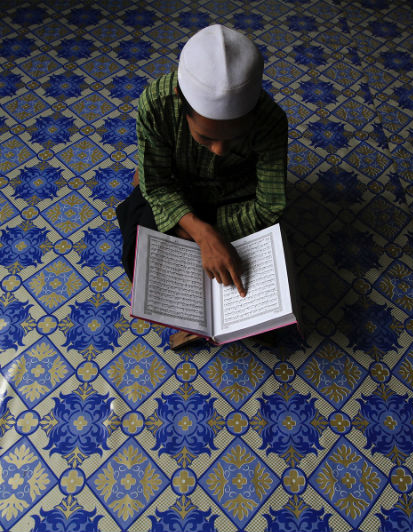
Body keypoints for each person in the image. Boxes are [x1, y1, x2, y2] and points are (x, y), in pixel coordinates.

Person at [116, 24, 288, 346]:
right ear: (182, 101)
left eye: (233, 139)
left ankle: (211, 315)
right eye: (206, 138)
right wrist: (202, 234)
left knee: (272, 252)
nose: (221, 150)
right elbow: (159, 185)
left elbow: (270, 206)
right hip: (179, 187)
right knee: (138, 241)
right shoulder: (157, 104)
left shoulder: (271, 121)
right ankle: (195, 313)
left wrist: (206, 234)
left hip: (235, 197)